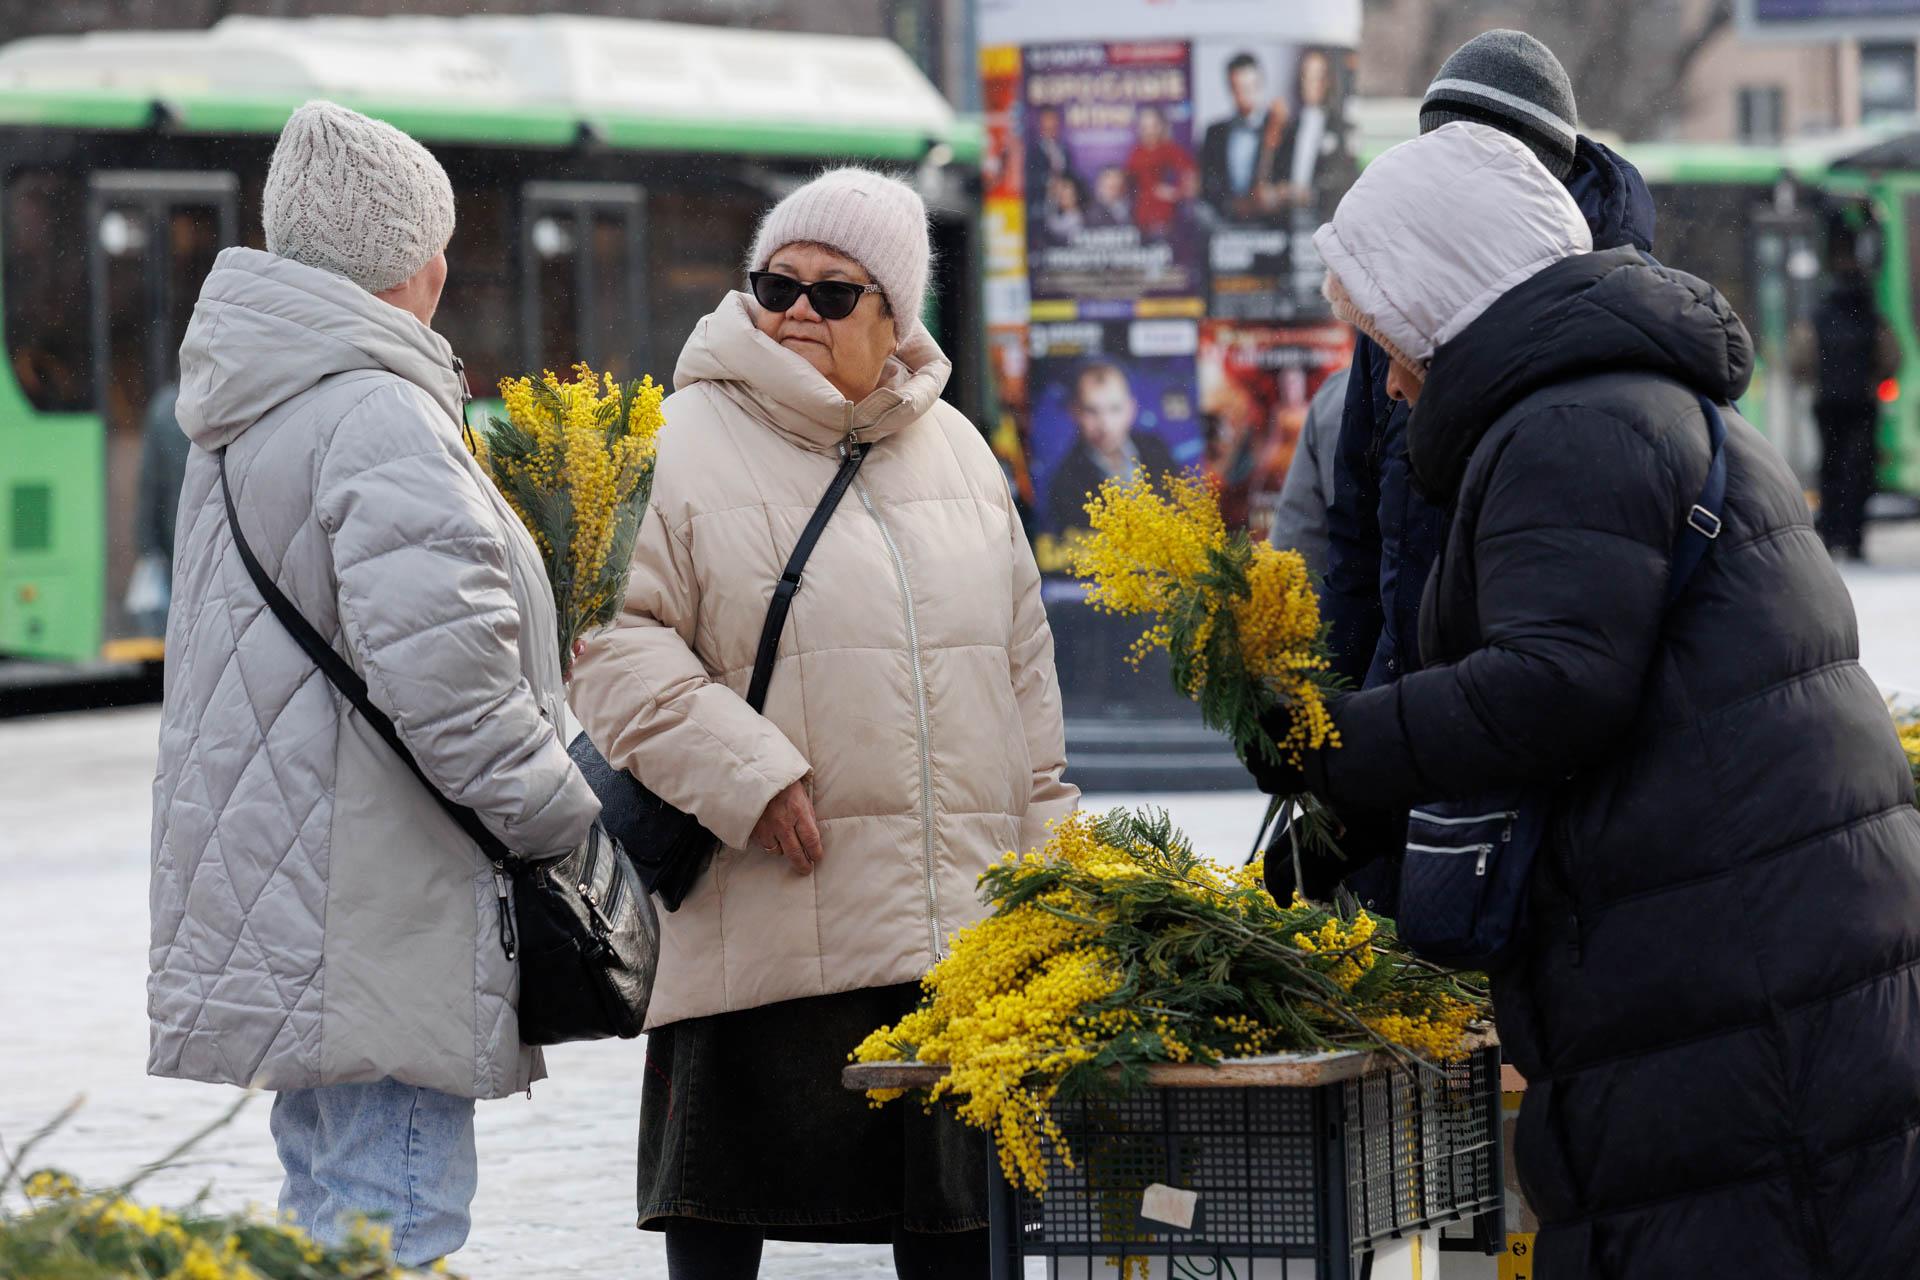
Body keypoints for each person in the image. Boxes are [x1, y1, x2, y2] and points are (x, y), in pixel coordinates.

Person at [1252, 117, 1920, 1280]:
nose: (1393, 380)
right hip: (1750, 943)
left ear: (1448, 295)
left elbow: (1557, 684)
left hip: (1734, 970)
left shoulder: (1576, 422)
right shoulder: (1618, 397)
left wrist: (1332, 745)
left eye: (1392, 337)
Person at [567, 167, 1077, 1279]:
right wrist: (745, 769)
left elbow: (1026, 688)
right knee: (723, 1232)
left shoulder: (961, 456)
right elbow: (607, 642)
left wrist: (1047, 887)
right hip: (762, 913)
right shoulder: (677, 439)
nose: (797, 309)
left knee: (957, 1241)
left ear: (895, 318)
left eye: (834, 294)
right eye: (775, 284)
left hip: (947, 939)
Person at [148, 102, 600, 1266]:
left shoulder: (249, 405)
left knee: (335, 1208)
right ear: (419, 260)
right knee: (395, 1214)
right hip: (382, 898)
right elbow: (451, 691)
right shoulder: (379, 412)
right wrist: (565, 811)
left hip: (299, 887)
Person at [1317, 28, 1659, 913]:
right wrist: (1337, 731)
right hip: (1426, 711)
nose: (1394, 382)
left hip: (1522, 758)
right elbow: (1359, 526)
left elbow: (1558, 674)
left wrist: (1364, 742)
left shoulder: (1602, 335)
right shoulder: (1401, 293)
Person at [1802, 227, 1893, 560]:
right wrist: (1871, 379)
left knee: (1830, 467)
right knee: (1859, 471)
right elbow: (1891, 356)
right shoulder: (1870, 312)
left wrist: (1817, 380)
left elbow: (1801, 357)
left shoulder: (1820, 313)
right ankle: (1854, 538)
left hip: (1827, 403)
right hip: (1862, 404)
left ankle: (1831, 533)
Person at [1045, 361, 1179, 533]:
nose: (1105, 425)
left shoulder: (1156, 448)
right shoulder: (1065, 482)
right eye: (1092, 411)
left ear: (1131, 409)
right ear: (1075, 411)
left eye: (1115, 409)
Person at [1266, 365, 1348, 579]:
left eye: (1295, 382)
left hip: (1357, 593)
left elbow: (1299, 532)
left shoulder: (1335, 396)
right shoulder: (1333, 398)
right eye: (1288, 383)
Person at [1200, 52, 1285, 220]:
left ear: (1261, 84)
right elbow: (1207, 184)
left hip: (1269, 224)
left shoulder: (1280, 126)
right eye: (1238, 88)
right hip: (1225, 220)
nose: (1245, 95)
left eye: (1251, 87)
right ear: (1230, 88)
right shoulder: (1214, 131)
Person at [1124, 105, 1197, 241]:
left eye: (1153, 125)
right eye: (1144, 126)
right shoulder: (1135, 153)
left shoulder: (1172, 150)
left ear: (1161, 126)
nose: (1149, 131)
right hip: (1141, 211)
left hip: (1168, 211)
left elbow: (1190, 177)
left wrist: (1177, 193)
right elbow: (1129, 183)